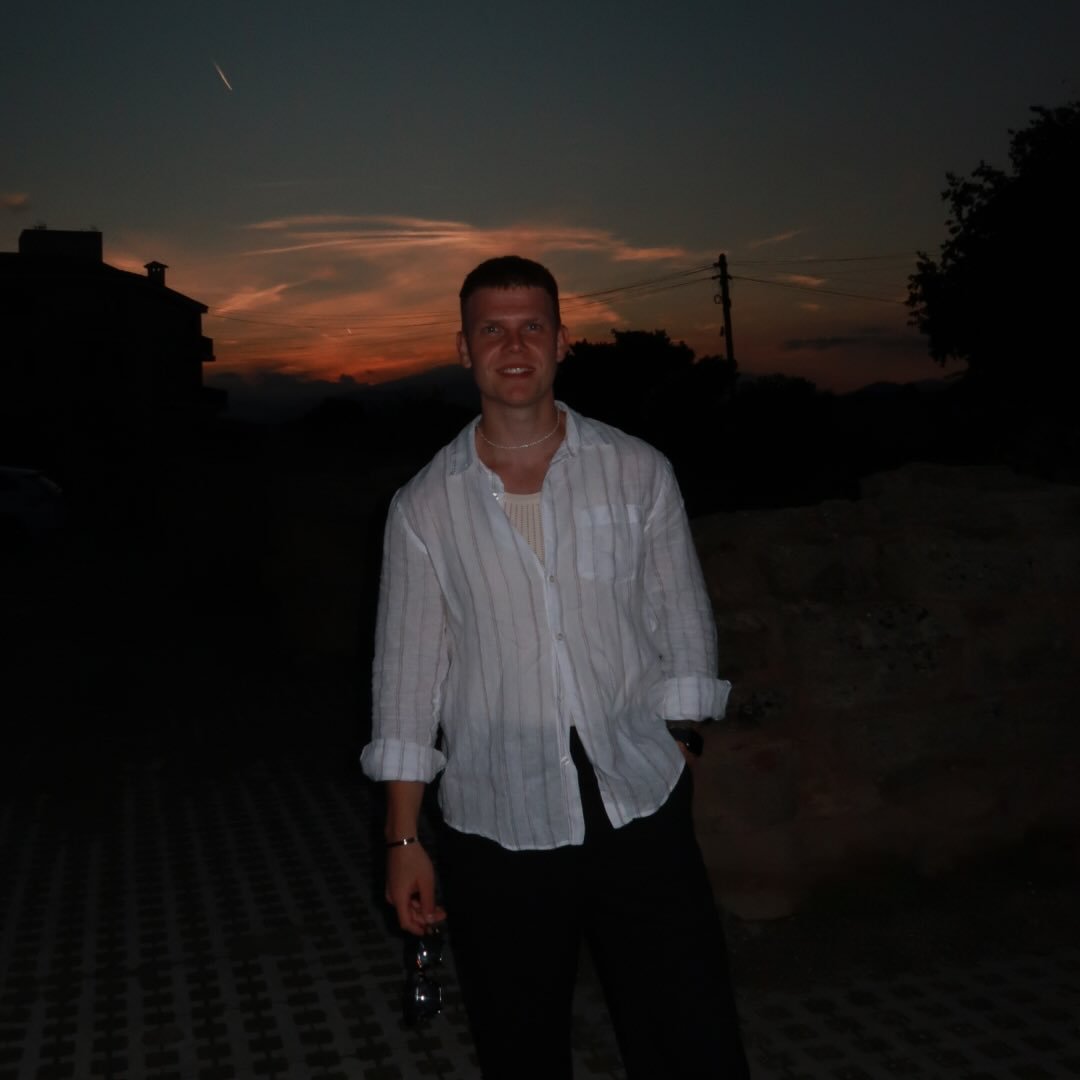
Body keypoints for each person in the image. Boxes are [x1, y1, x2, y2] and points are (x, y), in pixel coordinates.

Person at [360, 256, 749, 1080]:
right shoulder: (424, 507)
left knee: (690, 1037)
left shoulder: (637, 470)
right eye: (492, 329)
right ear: (464, 348)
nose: (514, 346)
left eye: (531, 326)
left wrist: (681, 740)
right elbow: (405, 683)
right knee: (520, 1044)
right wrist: (404, 838)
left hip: (637, 797)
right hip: (495, 812)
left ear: (562, 340)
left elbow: (682, 615)